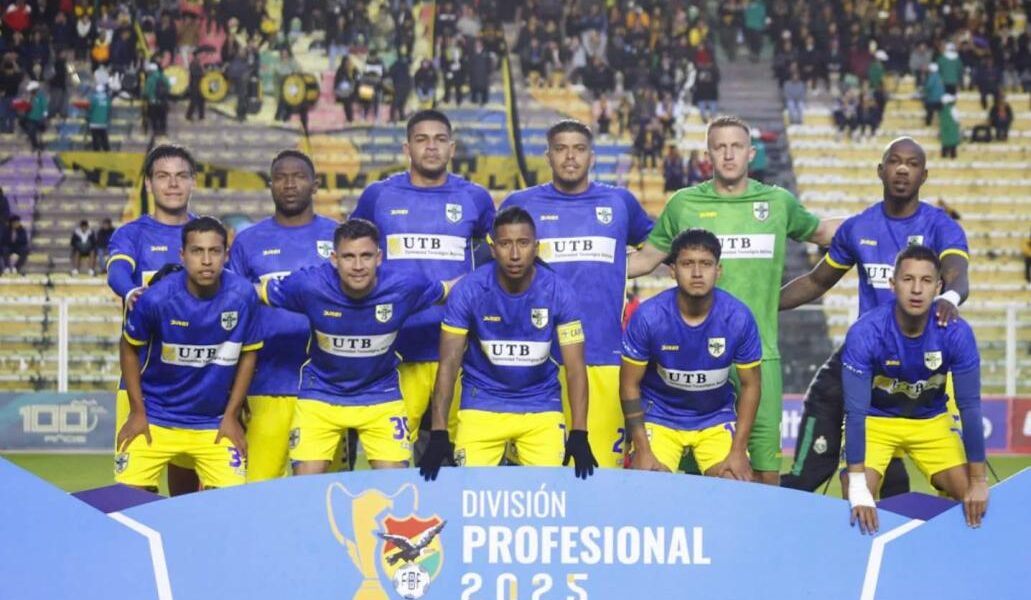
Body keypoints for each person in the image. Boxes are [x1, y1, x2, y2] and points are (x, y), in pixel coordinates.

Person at [628, 115, 839, 484]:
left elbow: (824, 232)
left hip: (759, 357)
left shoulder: (777, 203)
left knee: (764, 474)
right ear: (708, 154)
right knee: (691, 479)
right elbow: (646, 259)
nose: (728, 155)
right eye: (720, 147)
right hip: (695, 358)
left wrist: (880, 223)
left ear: (751, 153)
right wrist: (589, 268)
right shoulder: (684, 204)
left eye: (736, 147)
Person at [780, 137, 970, 494]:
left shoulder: (941, 227)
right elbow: (817, 281)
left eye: (912, 164)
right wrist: (765, 304)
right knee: (810, 474)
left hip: (918, 361)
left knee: (908, 485)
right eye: (895, 162)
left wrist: (950, 297)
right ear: (880, 171)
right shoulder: (859, 227)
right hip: (863, 355)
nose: (903, 169)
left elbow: (958, 274)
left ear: (924, 175)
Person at [500, 120, 653, 469]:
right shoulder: (521, 204)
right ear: (548, 156)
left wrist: (619, 267)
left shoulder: (619, 202)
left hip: (603, 358)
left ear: (592, 157)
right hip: (536, 362)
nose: (570, 157)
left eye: (579, 149)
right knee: (541, 478)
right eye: (561, 149)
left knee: (601, 473)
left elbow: (657, 246)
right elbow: (495, 264)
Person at [350, 110, 495, 456]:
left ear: (452, 148)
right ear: (407, 148)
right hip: (396, 346)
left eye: (440, 139)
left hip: (461, 346)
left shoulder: (475, 197)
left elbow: (498, 253)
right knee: (392, 453)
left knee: (465, 452)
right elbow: (351, 251)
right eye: (422, 139)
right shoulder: (378, 196)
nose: (431, 147)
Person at [418, 207, 597, 480]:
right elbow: (448, 365)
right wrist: (439, 431)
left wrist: (580, 432)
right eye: (505, 244)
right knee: (471, 495)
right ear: (493, 249)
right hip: (481, 403)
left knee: (549, 496)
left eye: (523, 243)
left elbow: (575, 367)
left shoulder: (559, 292)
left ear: (536, 247)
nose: (514, 254)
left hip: (541, 405)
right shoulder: (468, 291)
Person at [259, 219, 450, 474]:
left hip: (380, 395)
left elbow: (451, 290)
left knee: (395, 486)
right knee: (305, 485)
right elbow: (252, 292)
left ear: (379, 257)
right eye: (349, 257)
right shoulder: (309, 285)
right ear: (334, 259)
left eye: (366, 256)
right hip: (321, 394)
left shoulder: (405, 285)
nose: (358, 266)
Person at [843, 245, 987, 534]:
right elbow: (855, 414)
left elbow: (970, 407)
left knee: (974, 502)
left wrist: (978, 480)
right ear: (892, 284)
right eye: (908, 279)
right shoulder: (865, 332)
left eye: (926, 280)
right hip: (875, 421)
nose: (917, 289)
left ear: (938, 287)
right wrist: (857, 486)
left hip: (931, 422)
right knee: (856, 504)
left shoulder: (957, 332)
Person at [116, 217, 262, 492]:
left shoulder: (243, 295)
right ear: (182, 255)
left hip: (213, 423)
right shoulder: (156, 298)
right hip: (156, 417)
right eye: (197, 251)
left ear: (226, 255)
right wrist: (137, 411)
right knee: (127, 500)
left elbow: (248, 355)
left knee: (232, 504)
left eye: (214, 251)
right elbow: (128, 347)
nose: (206, 260)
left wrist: (231, 416)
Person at [228, 150, 337, 482]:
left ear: (315, 184)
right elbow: (233, 315)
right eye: (281, 177)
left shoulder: (339, 237)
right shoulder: (248, 241)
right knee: (257, 490)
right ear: (271, 185)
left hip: (329, 390)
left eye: (299, 177)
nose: (290, 184)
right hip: (266, 386)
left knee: (325, 493)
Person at [621, 228, 760, 477]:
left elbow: (751, 385)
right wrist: (641, 447)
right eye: (687, 264)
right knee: (648, 483)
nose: (697, 273)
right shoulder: (649, 317)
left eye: (706, 264)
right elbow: (629, 384)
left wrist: (739, 450)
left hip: (715, 417)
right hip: (660, 415)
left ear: (718, 270)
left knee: (735, 480)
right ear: (673, 270)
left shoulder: (739, 317)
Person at [106, 144, 200, 496]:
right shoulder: (131, 234)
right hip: (141, 388)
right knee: (133, 495)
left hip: (197, 388)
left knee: (190, 497)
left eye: (181, 176)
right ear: (148, 183)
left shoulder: (207, 236)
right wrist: (131, 291)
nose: (172, 184)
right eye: (163, 176)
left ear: (193, 182)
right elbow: (117, 271)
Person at [22, 80, 47, 151]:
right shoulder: (29, 97)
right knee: (30, 131)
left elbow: (45, 108)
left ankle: (37, 146)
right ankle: (35, 145)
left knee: (33, 132)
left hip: (38, 118)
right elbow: (27, 108)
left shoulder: (41, 97)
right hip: (30, 118)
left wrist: (44, 117)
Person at [86, 83, 111, 151]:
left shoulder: (93, 98)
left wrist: (88, 117)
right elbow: (109, 110)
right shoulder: (107, 99)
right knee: (104, 140)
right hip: (103, 123)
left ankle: (96, 152)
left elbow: (90, 109)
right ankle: (107, 152)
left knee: (95, 140)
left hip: (93, 123)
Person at [185, 51, 205, 121]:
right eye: (199, 55)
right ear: (196, 56)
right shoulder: (193, 64)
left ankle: (201, 115)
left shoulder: (199, 63)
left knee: (201, 100)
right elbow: (195, 73)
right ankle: (188, 115)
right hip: (194, 85)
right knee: (193, 101)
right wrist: (202, 73)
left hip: (200, 84)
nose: (201, 56)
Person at [939, 94, 960, 159]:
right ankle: (953, 156)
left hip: (944, 128)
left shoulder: (941, 109)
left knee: (945, 143)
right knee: (952, 144)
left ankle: (943, 156)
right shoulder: (953, 109)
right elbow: (957, 118)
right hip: (952, 128)